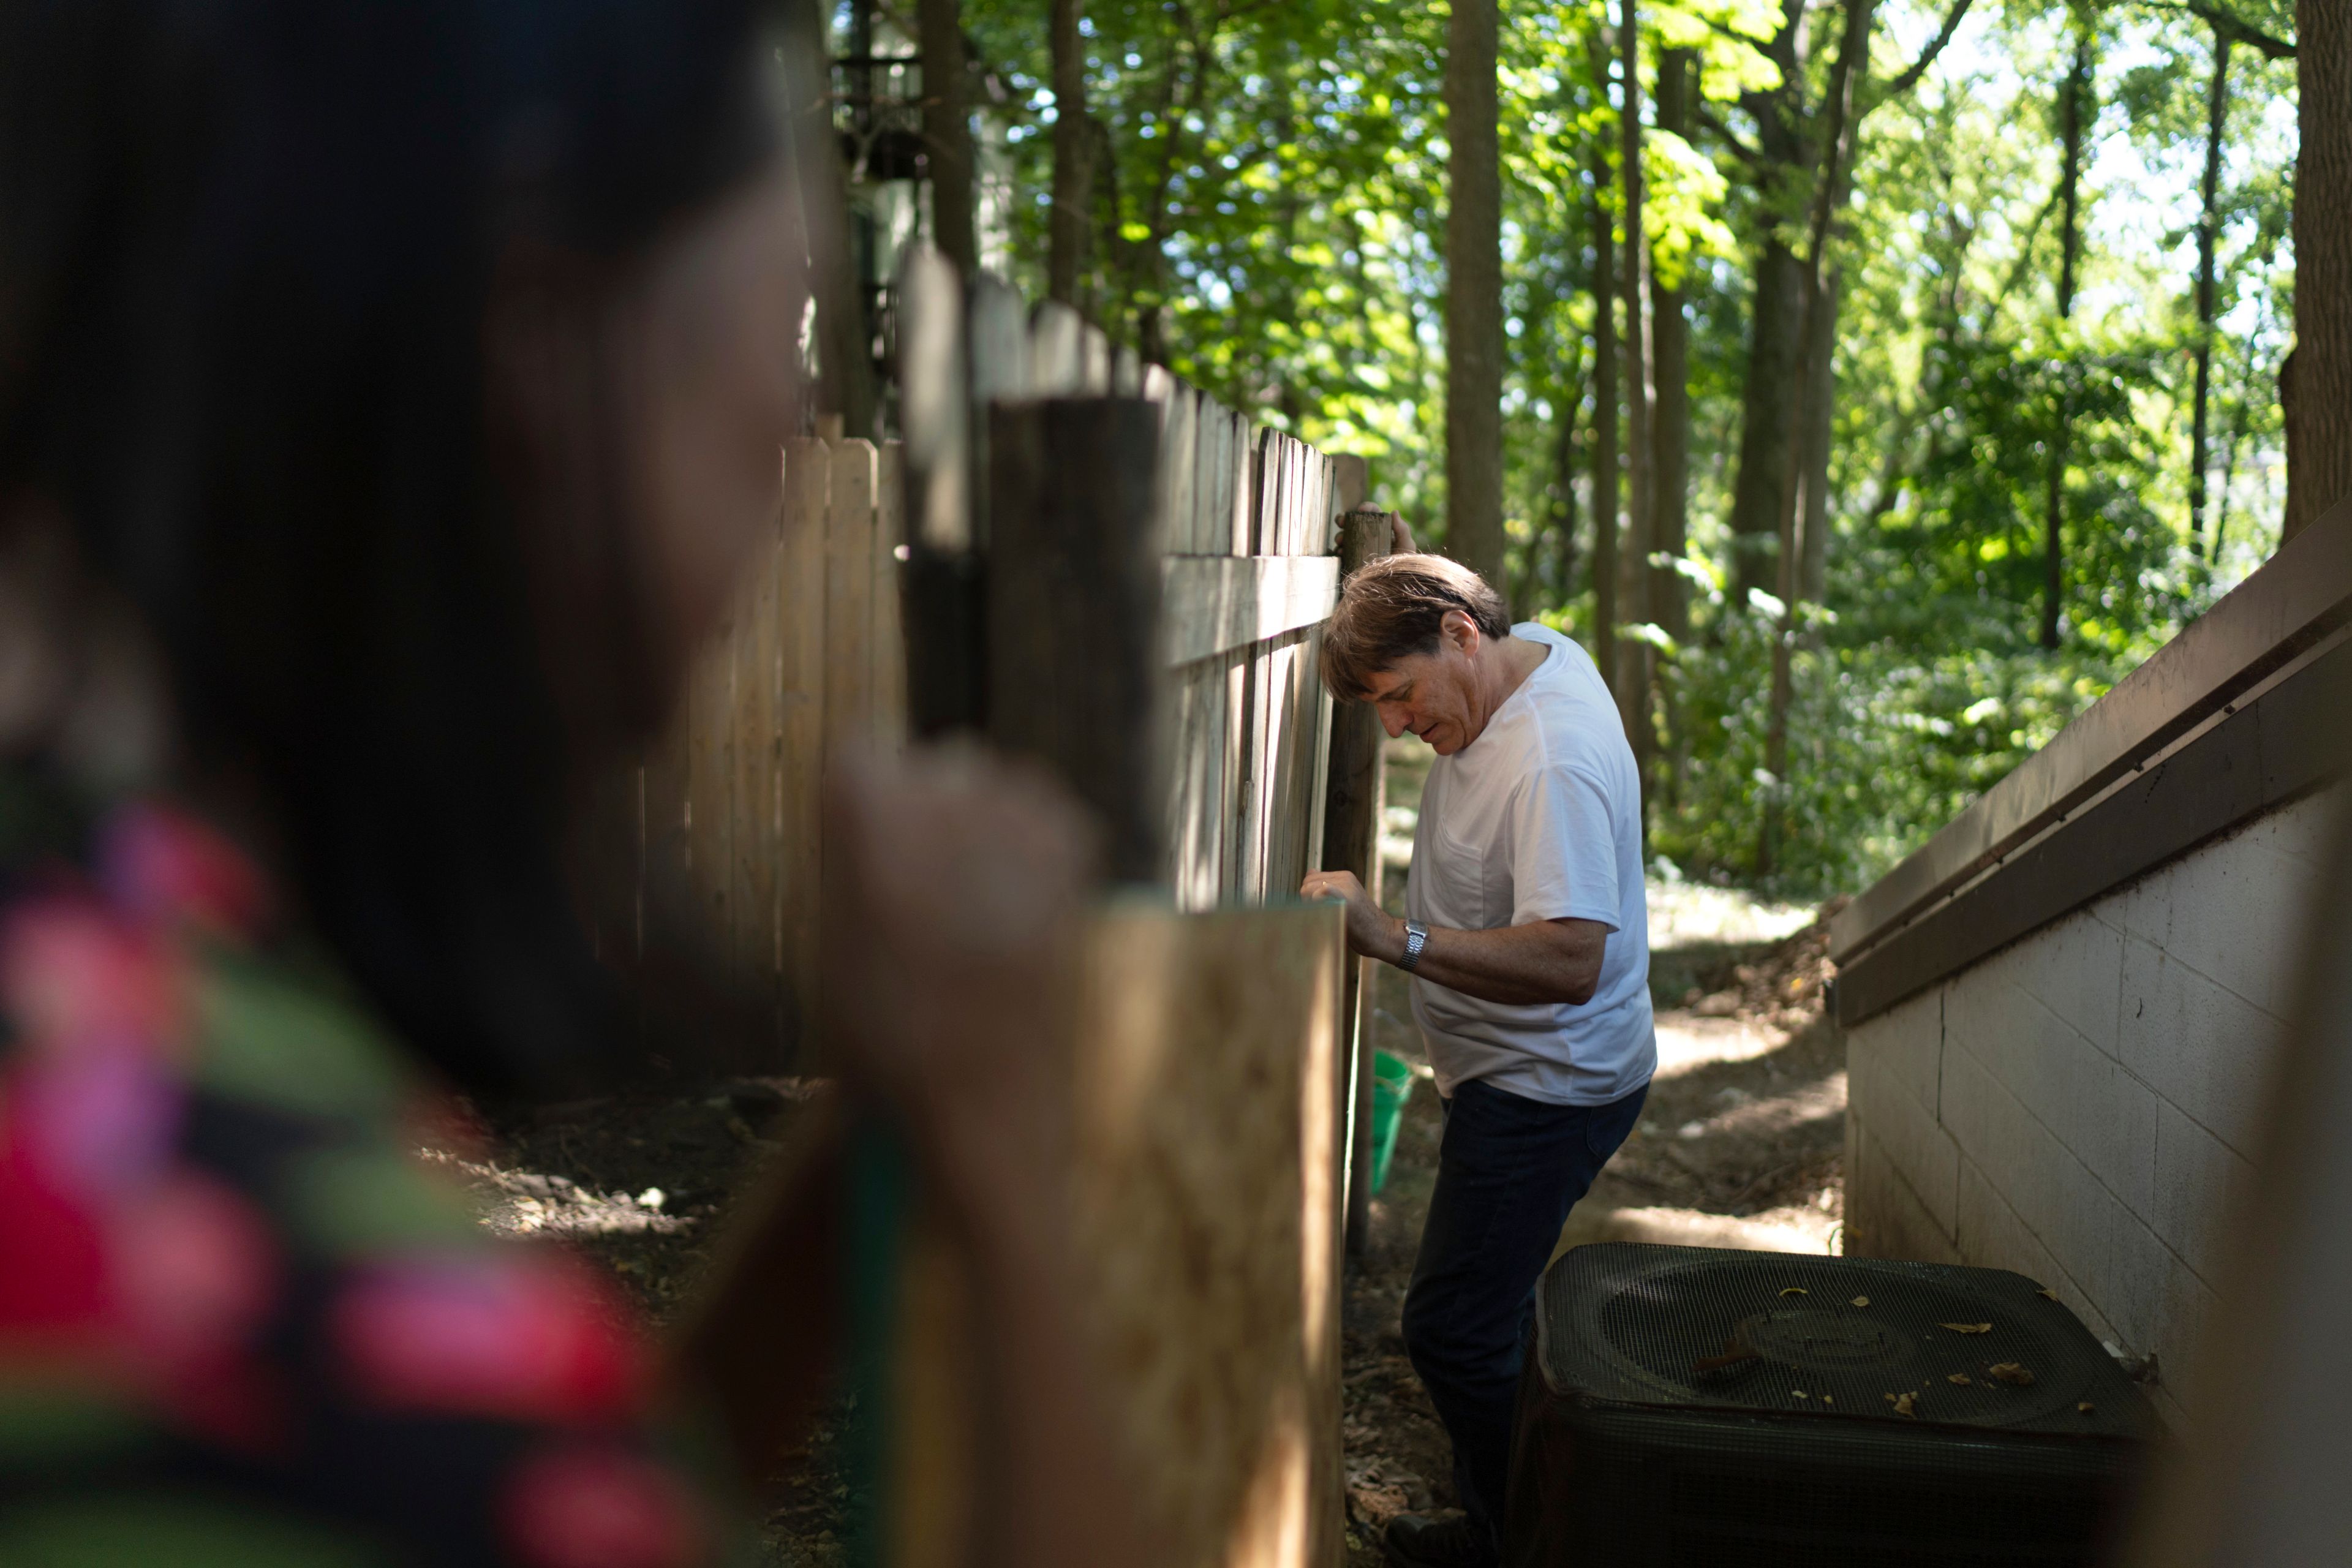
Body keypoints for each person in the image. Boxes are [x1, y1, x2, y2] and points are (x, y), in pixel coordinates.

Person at [0, 3, 1145, 1564]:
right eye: (780, 348)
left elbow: (601, 1478)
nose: (781, 465)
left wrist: (881, 1103)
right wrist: (1015, 1170)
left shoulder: (108, 987)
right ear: (530, 351)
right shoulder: (305, 1349)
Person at [1302, 532, 1655, 1568]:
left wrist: (1391, 937)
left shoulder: (1552, 762)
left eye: (1401, 697)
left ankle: (1540, 1540)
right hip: (1510, 1074)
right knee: (1484, 1319)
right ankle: (1498, 1518)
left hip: (1546, 1088)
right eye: (1380, 708)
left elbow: (1568, 960)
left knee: (1453, 1330)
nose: (1401, 727)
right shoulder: (1523, 650)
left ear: (1462, 635)